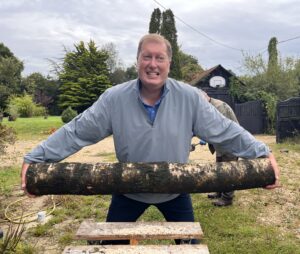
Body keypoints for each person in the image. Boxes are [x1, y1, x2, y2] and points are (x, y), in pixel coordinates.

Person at [21, 34, 280, 245]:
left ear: (169, 63)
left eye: (160, 58)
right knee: (110, 247)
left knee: (190, 247)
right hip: (127, 190)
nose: (153, 64)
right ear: (137, 61)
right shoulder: (114, 98)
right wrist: (35, 158)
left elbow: (225, 130)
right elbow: (76, 131)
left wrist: (261, 153)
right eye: (147, 56)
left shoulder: (189, 98)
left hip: (176, 190)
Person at [202, 92, 239, 206]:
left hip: (230, 141)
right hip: (221, 144)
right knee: (219, 168)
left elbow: (221, 127)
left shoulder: (219, 107)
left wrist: (206, 136)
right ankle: (219, 192)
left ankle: (227, 198)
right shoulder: (207, 107)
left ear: (206, 96)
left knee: (229, 170)